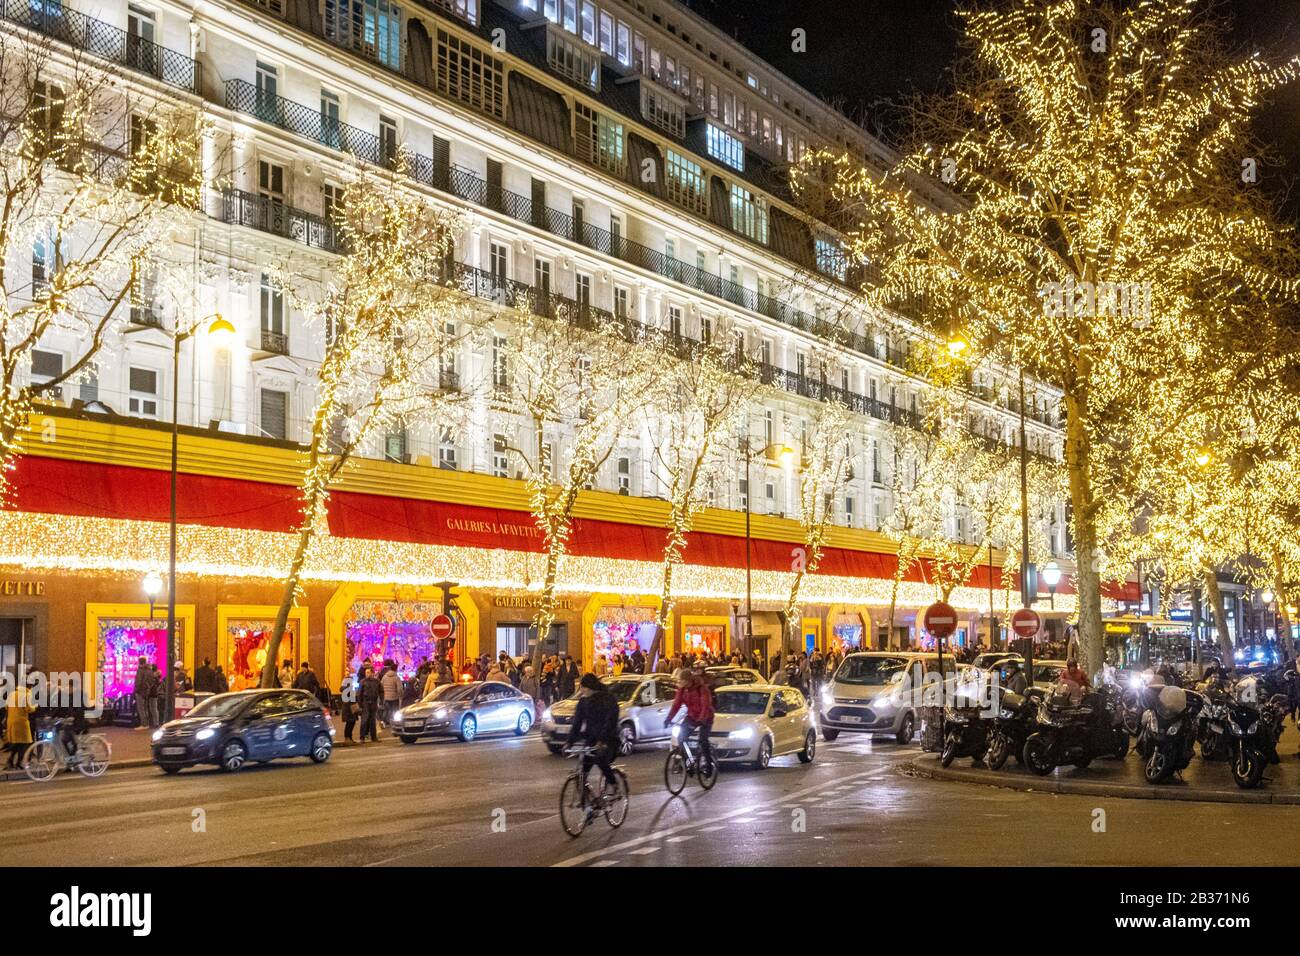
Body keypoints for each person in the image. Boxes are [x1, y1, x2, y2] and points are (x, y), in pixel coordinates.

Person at [565, 673, 620, 790]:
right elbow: (577, 724)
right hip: (591, 740)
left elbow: (610, 721)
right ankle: (587, 802)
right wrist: (569, 742)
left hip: (608, 741)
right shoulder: (583, 702)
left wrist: (602, 740)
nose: (582, 691)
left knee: (600, 759)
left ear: (590, 687)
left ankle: (613, 783)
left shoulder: (608, 700)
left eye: (583, 688)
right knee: (583, 769)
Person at [665, 666, 715, 767]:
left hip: (706, 717)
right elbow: (676, 705)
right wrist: (669, 719)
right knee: (681, 737)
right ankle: (689, 762)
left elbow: (705, 705)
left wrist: (702, 719)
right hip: (692, 716)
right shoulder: (682, 690)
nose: (681, 683)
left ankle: (709, 764)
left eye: (682, 681)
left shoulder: (701, 688)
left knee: (703, 740)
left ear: (688, 680)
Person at [4, 683, 34, 769]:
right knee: (24, 743)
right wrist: (35, 707)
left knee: (16, 742)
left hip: (11, 721)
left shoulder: (12, 694)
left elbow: (6, 706)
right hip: (21, 722)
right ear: (29, 687)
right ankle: (19, 763)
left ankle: (10, 761)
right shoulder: (26, 695)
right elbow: (28, 709)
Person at [359, 666, 382, 743]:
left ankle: (374, 737)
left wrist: (381, 701)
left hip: (374, 702)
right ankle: (362, 738)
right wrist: (360, 704)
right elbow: (359, 693)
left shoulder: (377, 681)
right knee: (364, 721)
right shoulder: (363, 682)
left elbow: (381, 691)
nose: (367, 674)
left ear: (372, 673)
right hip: (365, 703)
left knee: (373, 721)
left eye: (368, 672)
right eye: (366, 673)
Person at [132, 657, 156, 731]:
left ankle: (144, 724)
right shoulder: (150, 670)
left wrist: (135, 690)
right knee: (145, 708)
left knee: (141, 708)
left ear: (139, 662)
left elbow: (138, 682)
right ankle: (147, 723)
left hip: (140, 692)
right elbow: (152, 681)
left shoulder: (140, 670)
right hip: (147, 692)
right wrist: (148, 688)